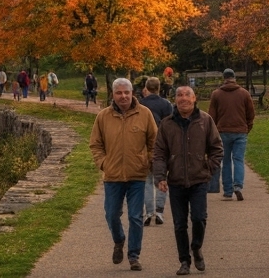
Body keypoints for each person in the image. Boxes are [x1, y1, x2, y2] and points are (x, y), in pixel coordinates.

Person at [88, 77, 158, 272]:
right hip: (113, 176)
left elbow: (154, 141)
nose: (123, 96)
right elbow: (95, 144)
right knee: (111, 215)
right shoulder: (103, 116)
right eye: (119, 93)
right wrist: (103, 163)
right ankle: (119, 240)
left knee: (136, 217)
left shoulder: (145, 114)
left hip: (137, 175)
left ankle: (134, 256)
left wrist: (150, 162)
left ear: (132, 93)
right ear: (113, 95)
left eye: (126, 92)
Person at [153, 85, 222, 275]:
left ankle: (197, 247)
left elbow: (217, 148)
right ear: (175, 99)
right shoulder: (167, 124)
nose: (183, 98)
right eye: (179, 95)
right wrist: (160, 176)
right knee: (179, 224)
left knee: (199, 218)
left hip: (199, 179)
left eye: (187, 95)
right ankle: (184, 260)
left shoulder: (205, 121)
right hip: (175, 181)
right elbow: (159, 153)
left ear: (194, 99)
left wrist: (209, 167)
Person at [208, 68, 256, 200]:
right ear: (234, 78)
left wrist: (213, 132)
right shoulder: (244, 94)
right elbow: (251, 114)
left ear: (224, 78)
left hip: (223, 131)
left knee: (226, 161)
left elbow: (211, 116)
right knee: (239, 159)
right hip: (240, 131)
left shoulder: (216, 94)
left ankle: (228, 190)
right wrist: (247, 127)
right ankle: (238, 186)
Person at [139, 77, 173, 227]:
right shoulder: (166, 104)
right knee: (161, 179)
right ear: (159, 88)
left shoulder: (140, 105)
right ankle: (159, 211)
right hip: (161, 145)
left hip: (144, 146)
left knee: (146, 181)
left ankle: (149, 212)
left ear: (146, 88)